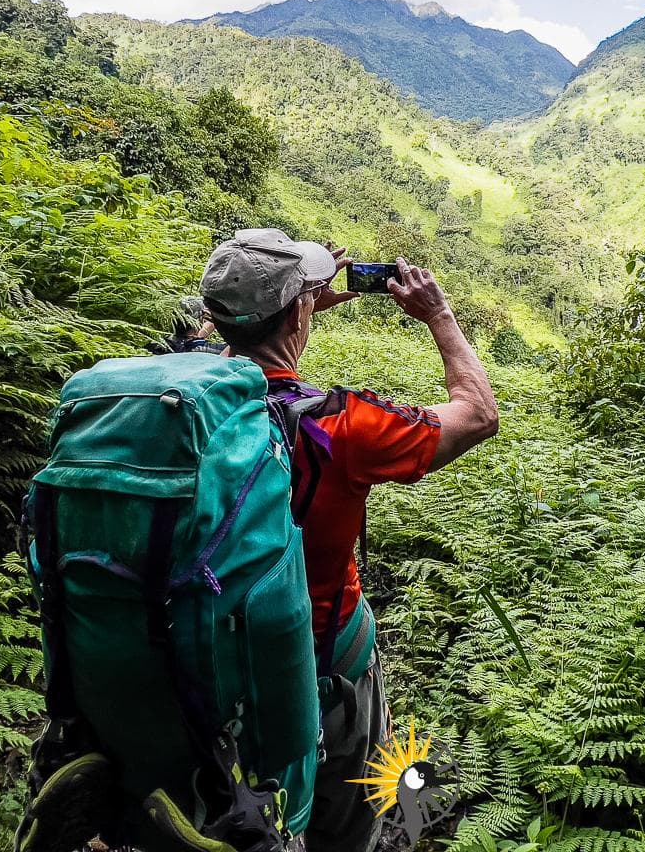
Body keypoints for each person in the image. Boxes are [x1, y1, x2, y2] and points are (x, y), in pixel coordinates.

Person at [199, 228, 499, 852]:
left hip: (200, 648)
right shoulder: (343, 425)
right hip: (318, 655)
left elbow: (224, 345)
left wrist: (295, 310)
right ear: (299, 309)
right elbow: (477, 413)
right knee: (351, 808)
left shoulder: (183, 399)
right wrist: (439, 315)